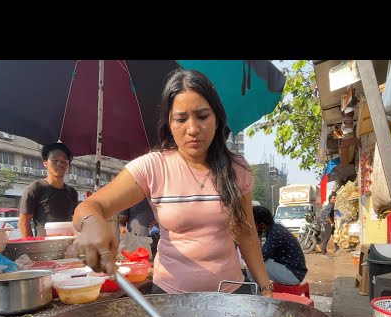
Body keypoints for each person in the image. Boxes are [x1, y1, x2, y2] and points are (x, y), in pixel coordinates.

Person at [71, 69, 274, 297]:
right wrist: (91, 224)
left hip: (230, 294)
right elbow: (88, 207)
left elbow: (246, 234)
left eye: (202, 116)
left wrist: (265, 288)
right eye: (181, 119)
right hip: (170, 296)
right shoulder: (153, 167)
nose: (193, 129)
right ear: (169, 123)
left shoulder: (236, 169)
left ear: (217, 119)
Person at [18, 142, 79, 238]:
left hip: (68, 247)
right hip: (44, 247)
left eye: (64, 161)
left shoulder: (72, 192)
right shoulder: (35, 188)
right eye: (55, 160)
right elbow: (23, 224)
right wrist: (31, 249)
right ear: (45, 163)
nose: (59, 164)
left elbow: (75, 221)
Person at [251, 206, 307, 285]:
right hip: (294, 271)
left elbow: (261, 256)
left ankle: (256, 296)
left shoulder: (275, 233)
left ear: (262, 225)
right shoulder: (275, 229)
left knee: (252, 267)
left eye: (253, 223)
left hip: (293, 274)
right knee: (255, 264)